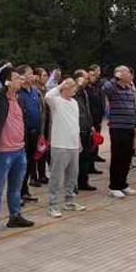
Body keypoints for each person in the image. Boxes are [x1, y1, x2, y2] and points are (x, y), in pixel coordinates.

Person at [0, 68, 34, 238]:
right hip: (2, 152)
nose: (21, 80)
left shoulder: (19, 99)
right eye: (17, 78)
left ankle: (15, 216)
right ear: (8, 81)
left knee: (15, 188)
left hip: (19, 150)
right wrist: (4, 89)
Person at [45, 78, 86, 217]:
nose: (75, 89)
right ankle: (52, 205)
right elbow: (47, 96)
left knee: (72, 176)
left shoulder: (74, 102)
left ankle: (69, 201)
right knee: (56, 177)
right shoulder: (56, 101)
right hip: (60, 145)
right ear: (65, 88)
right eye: (72, 86)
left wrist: (78, 141)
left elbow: (75, 123)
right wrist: (61, 85)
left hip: (73, 145)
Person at [102, 66, 136, 199]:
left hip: (129, 127)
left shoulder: (130, 89)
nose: (130, 75)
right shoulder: (113, 88)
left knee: (127, 157)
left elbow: (134, 108)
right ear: (120, 74)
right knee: (117, 157)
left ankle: (123, 184)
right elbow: (105, 88)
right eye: (128, 72)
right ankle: (114, 186)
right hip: (117, 128)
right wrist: (115, 78)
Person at [17, 66, 43, 201]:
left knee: (31, 162)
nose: (33, 76)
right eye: (30, 73)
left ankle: (25, 190)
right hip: (23, 133)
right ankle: (19, 192)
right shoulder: (18, 93)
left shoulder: (35, 91)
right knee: (22, 163)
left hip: (36, 131)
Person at [73, 70, 97, 192]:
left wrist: (91, 125)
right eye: (85, 78)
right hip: (77, 129)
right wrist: (77, 85)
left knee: (85, 157)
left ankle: (83, 181)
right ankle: (73, 184)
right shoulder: (73, 92)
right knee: (75, 159)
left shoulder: (85, 92)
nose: (87, 81)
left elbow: (87, 110)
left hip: (86, 128)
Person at [27, 67, 50, 187]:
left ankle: (42, 174)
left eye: (46, 75)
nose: (46, 78)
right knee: (34, 151)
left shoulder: (46, 89)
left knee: (43, 149)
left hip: (46, 123)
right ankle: (33, 176)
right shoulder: (34, 91)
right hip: (36, 125)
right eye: (44, 75)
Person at [86, 65, 105, 167]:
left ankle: (93, 159)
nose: (94, 77)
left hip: (98, 117)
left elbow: (100, 102)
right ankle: (90, 164)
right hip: (90, 119)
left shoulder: (96, 87)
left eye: (94, 75)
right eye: (92, 75)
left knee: (96, 139)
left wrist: (102, 116)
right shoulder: (86, 90)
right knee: (90, 142)